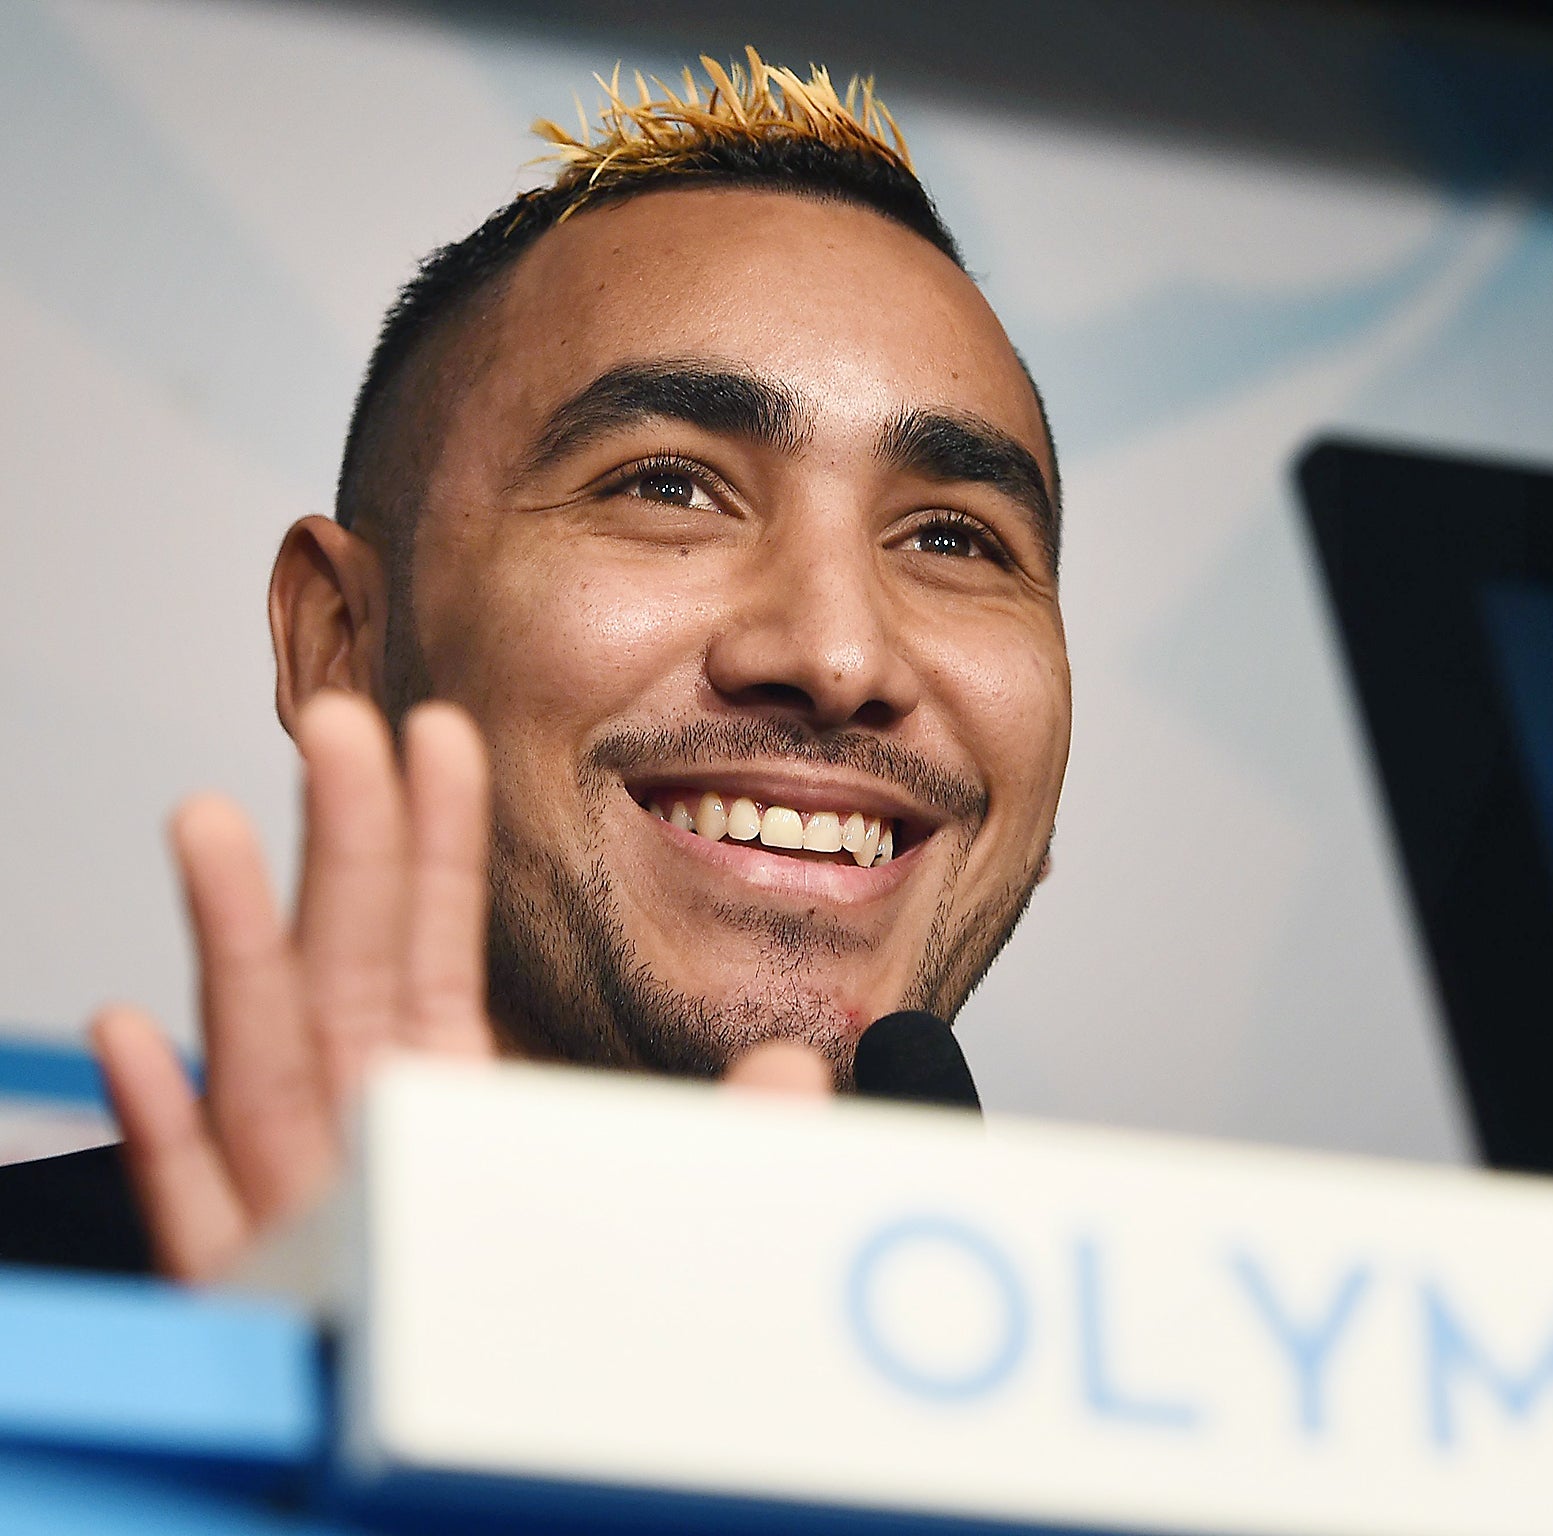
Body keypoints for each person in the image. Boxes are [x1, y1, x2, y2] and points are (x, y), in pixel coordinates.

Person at [0, 51, 1069, 1281]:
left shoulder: (1188, 1428)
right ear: (339, 643)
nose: (837, 655)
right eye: (669, 486)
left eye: (952, 538)